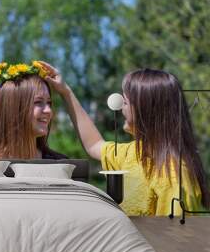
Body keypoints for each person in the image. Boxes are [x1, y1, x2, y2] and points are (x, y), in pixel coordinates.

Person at [38, 61, 209, 216]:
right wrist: (65, 91)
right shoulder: (132, 153)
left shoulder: (173, 175)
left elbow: (177, 241)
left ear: (146, 110)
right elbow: (94, 145)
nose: (120, 108)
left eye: (125, 102)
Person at [0, 62, 67, 160]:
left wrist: (66, 91)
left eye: (49, 103)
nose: (48, 110)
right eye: (38, 102)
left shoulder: (60, 164)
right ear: (13, 109)